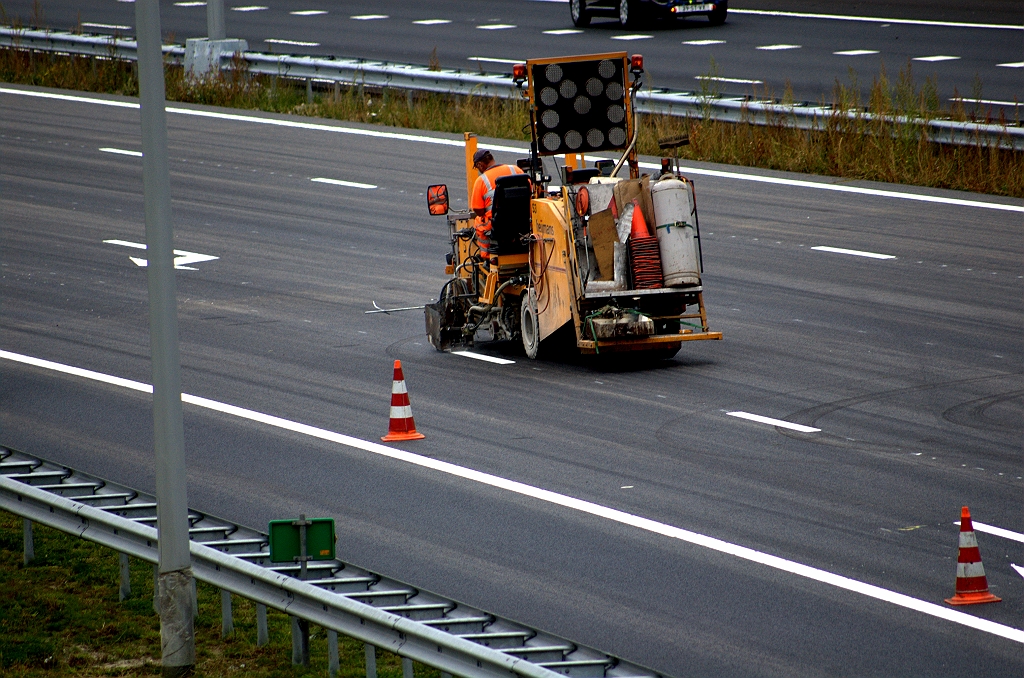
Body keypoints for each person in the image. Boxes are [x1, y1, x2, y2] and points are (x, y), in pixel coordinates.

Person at [470, 149, 524, 263]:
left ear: (480, 164)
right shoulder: (516, 170)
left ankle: (487, 256)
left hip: (498, 225)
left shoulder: (481, 180)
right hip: (522, 221)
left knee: (478, 221)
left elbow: (478, 210)